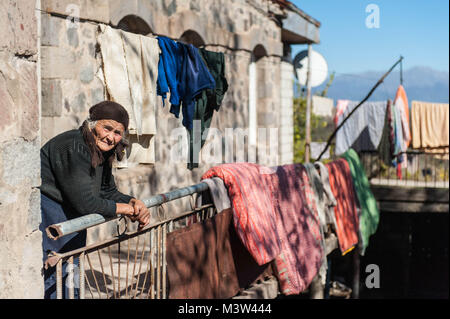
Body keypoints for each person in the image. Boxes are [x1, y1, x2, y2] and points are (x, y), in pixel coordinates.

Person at [39, 101, 150, 298]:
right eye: (106, 128)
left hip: (70, 213)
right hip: (51, 211)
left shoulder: (102, 151)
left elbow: (107, 190)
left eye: (117, 132)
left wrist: (133, 202)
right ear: (92, 124)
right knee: (55, 276)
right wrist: (125, 209)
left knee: (72, 274)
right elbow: (86, 203)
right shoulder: (75, 146)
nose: (110, 137)